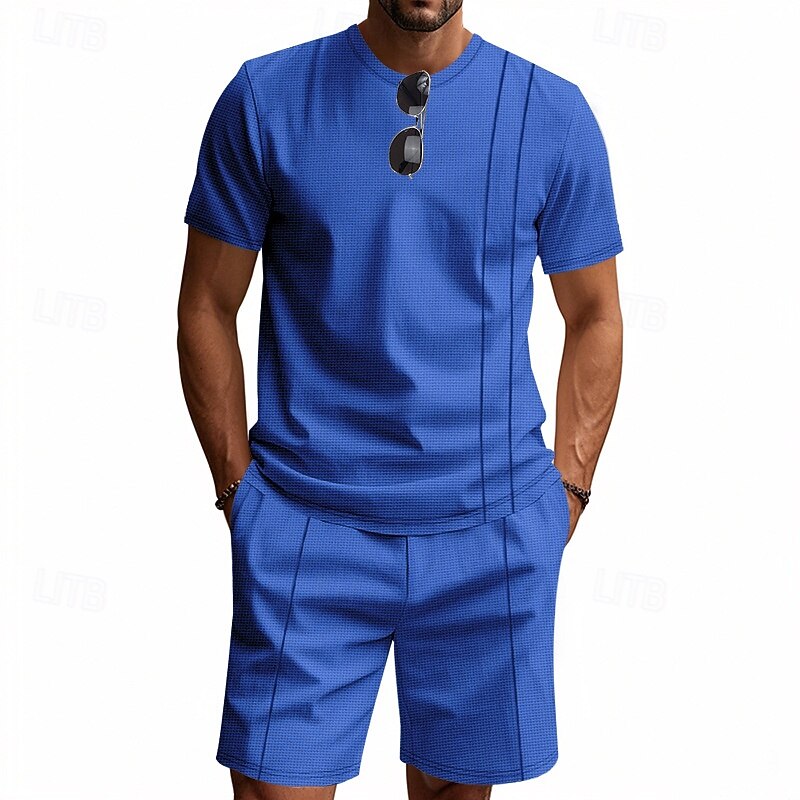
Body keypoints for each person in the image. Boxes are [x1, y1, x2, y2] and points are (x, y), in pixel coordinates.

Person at [177, 0, 624, 797]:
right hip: (307, 530)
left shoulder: (550, 112)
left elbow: (595, 315)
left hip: (487, 536)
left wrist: (569, 492)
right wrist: (238, 491)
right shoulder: (266, 98)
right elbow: (207, 305)